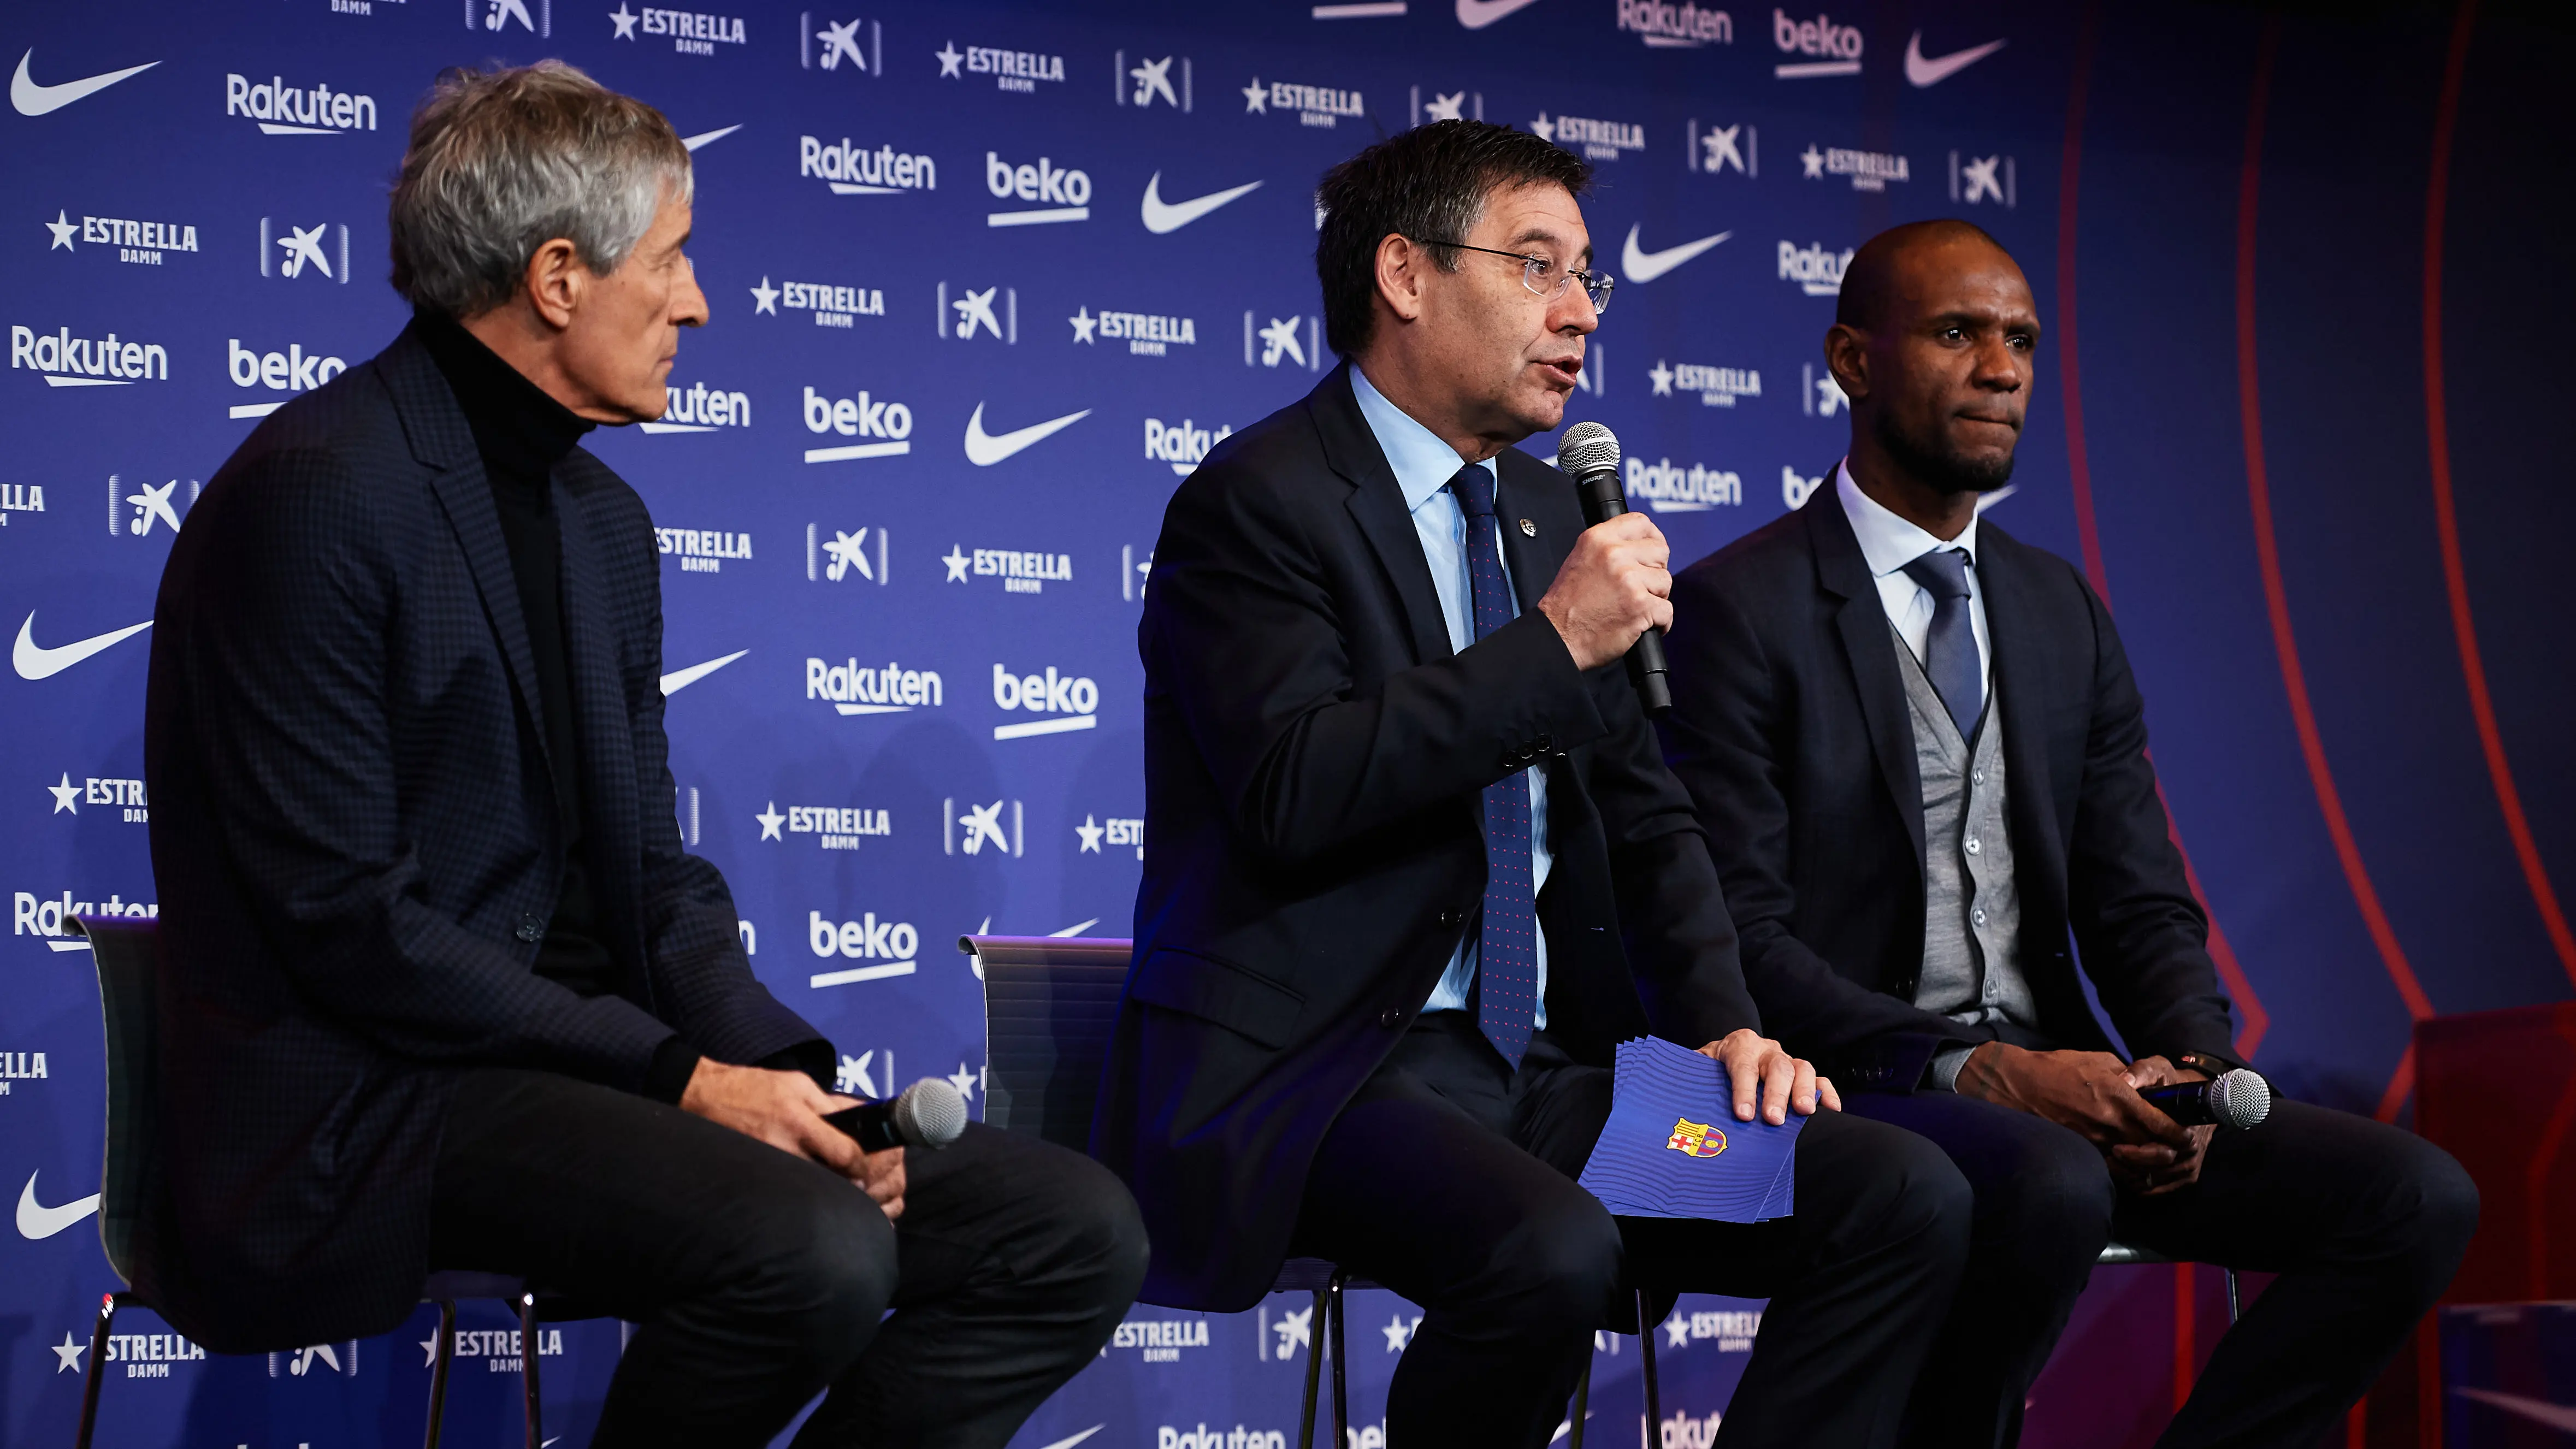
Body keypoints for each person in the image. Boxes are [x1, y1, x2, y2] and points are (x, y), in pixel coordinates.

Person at [143, 63, 1144, 1449]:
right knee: (809, 1252)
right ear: (559, 277)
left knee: (1074, 1229)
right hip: (376, 1100)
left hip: (579, 1073)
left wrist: (793, 1084)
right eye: (670, 260)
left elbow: (656, 881)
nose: (698, 303)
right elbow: (353, 929)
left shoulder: (601, 521)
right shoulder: (316, 493)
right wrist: (684, 1079)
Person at [1093, 120, 1969, 1449]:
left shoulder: (1545, 516)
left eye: (1590, 278)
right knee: (1551, 1249)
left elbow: (1647, 812)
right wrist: (1553, 643)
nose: (1578, 314)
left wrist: (1729, 1026)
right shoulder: (1256, 504)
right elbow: (1293, 785)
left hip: (1543, 1079)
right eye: (1539, 267)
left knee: (1899, 1193)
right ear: (1405, 274)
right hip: (1327, 1074)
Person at [1658, 218, 2479, 1448]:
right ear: (1851, 360)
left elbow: (2138, 895)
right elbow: (1740, 941)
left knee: (2415, 1198)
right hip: (1853, 1087)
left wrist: (2194, 1076)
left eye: (2022, 340)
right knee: (2044, 1178)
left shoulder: (2059, 610)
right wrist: (1974, 1068)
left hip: (2065, 1092)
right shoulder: (1738, 608)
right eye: (1957, 333)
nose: (2002, 368)